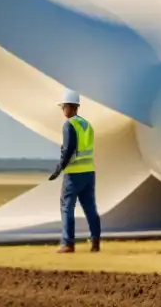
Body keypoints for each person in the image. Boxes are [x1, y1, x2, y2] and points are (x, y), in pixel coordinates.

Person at [48, 88, 101, 253]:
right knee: (90, 208)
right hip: (89, 173)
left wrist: (59, 169)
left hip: (73, 174)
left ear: (70, 107)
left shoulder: (69, 125)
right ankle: (95, 243)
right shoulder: (87, 125)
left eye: (63, 106)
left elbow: (69, 149)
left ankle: (68, 243)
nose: (63, 110)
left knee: (66, 207)